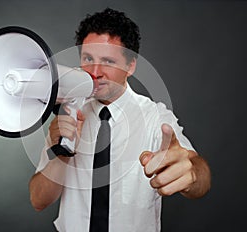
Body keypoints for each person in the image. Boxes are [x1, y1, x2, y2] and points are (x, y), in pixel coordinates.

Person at [29, 8, 211, 231]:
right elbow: (39, 201)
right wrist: (62, 152)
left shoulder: (155, 117)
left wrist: (191, 173)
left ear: (130, 66)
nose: (95, 72)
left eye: (108, 61)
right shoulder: (69, 113)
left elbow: (200, 177)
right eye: (87, 58)